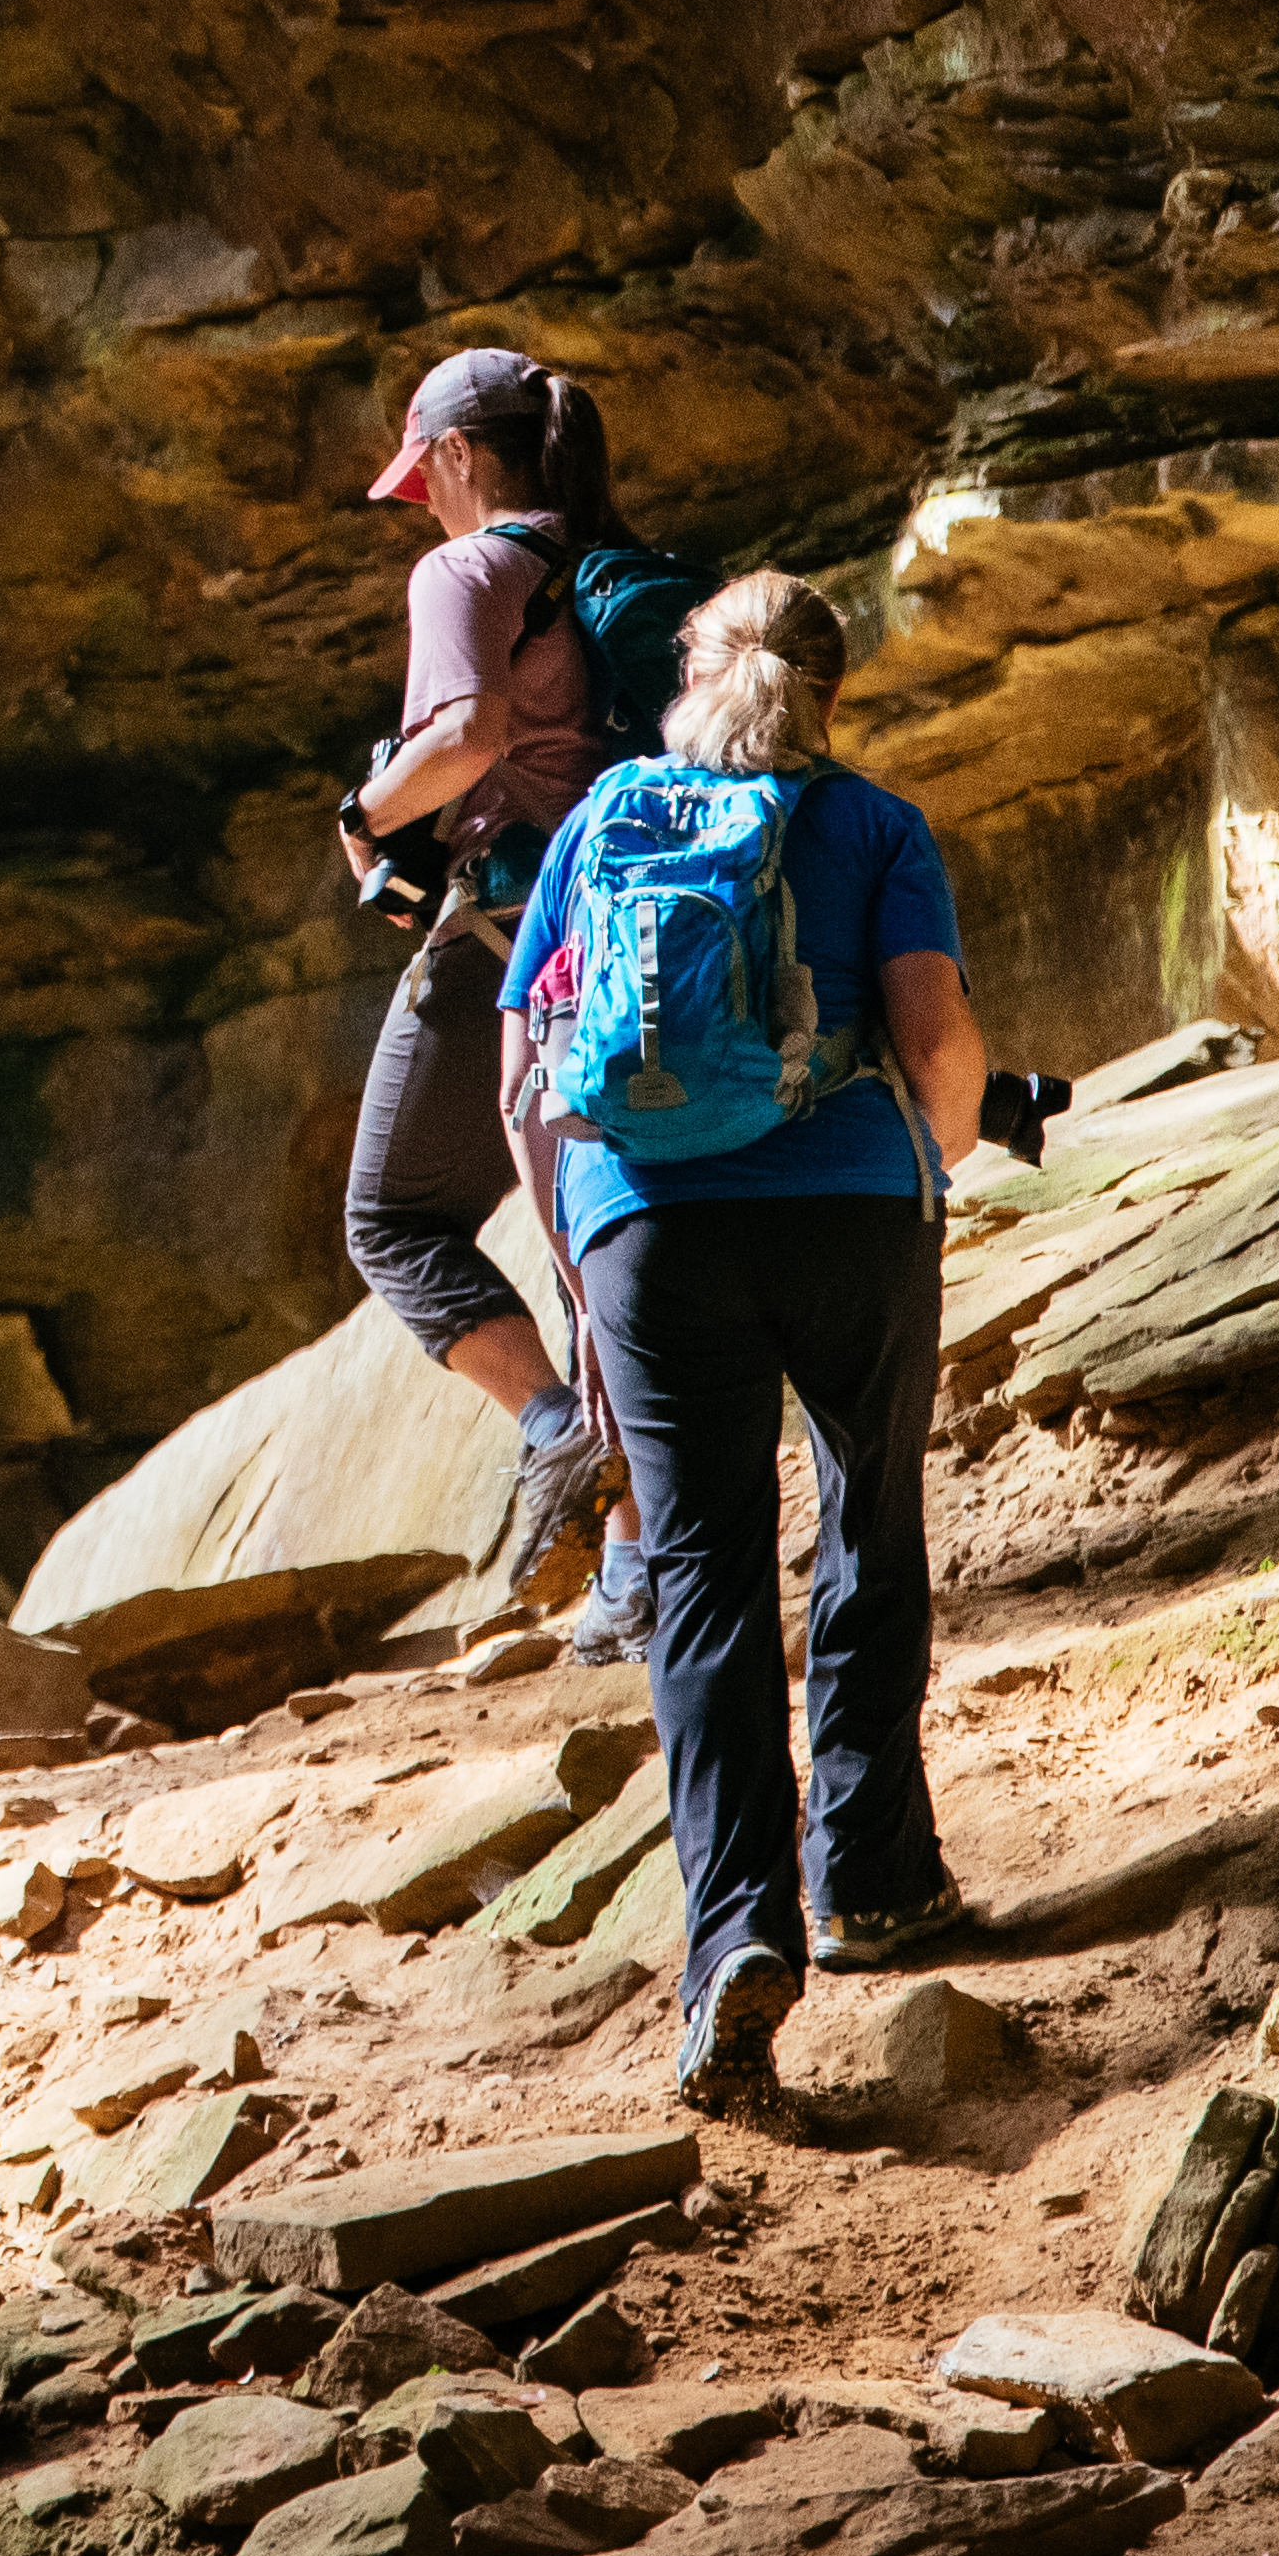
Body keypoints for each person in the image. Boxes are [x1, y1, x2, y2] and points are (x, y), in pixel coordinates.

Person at [492, 568, 991, 2118]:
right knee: (867, 1517)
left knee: (703, 1571)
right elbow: (934, 1042)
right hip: (852, 1209)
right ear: (831, 692)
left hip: (649, 1229)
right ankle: (876, 1882)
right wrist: (937, 1162)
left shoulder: (602, 821)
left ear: (682, 677)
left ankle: (733, 1944)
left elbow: (526, 1068)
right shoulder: (874, 828)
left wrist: (584, 1253)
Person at [333, 340, 640, 1616]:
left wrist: (364, 813)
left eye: (427, 476)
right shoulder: (619, 571)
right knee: (595, 1246)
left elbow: (468, 734)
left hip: (510, 944)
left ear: (459, 453)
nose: (426, 503)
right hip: (635, 946)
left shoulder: (467, 565)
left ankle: (560, 1428)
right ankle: (633, 1578)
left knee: (391, 1218)